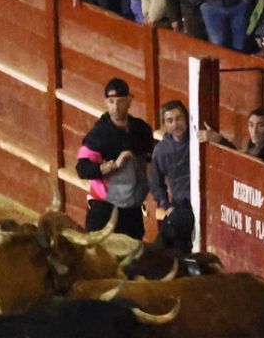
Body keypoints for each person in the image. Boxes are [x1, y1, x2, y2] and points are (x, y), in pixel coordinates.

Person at [75, 77, 154, 237]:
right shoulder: (97, 135)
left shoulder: (141, 130)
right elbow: (82, 169)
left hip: (132, 208)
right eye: (111, 102)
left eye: (120, 101)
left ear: (129, 101)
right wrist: (113, 165)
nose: (116, 107)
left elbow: (151, 159)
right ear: (106, 102)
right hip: (104, 207)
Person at [148, 98, 194, 249]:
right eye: (170, 120)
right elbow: (155, 183)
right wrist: (165, 205)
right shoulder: (161, 150)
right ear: (165, 125)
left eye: (179, 118)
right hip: (181, 205)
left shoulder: (197, 140)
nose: (175, 124)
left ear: (186, 118)